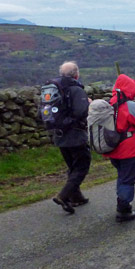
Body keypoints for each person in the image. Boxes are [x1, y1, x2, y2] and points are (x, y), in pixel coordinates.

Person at [104, 74, 135, 222]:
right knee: (127, 178)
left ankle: (122, 200)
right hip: (127, 150)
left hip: (112, 148)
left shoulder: (109, 103)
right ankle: (123, 208)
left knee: (122, 175)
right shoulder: (129, 105)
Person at [49, 61, 92, 214]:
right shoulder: (75, 89)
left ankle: (76, 197)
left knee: (73, 166)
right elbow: (81, 112)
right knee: (82, 165)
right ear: (76, 74)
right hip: (75, 134)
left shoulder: (55, 89)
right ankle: (63, 195)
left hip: (59, 135)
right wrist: (89, 105)